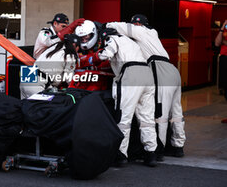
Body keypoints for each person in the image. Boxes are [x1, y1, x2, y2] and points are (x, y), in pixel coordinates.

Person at [105, 14, 186, 159]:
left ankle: (159, 150)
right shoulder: (152, 34)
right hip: (172, 70)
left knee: (160, 113)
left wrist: (105, 25)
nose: (134, 27)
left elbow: (122, 27)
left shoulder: (142, 31)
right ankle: (178, 146)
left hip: (158, 69)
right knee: (176, 112)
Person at [97, 27, 157, 167]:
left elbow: (105, 55)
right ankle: (151, 153)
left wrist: (97, 55)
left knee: (123, 117)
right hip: (147, 75)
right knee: (147, 118)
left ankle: (121, 155)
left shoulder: (112, 39)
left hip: (131, 75)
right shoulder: (130, 42)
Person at [20, 34, 81, 99]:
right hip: (37, 84)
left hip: (27, 77)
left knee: (23, 106)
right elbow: (69, 79)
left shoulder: (55, 47)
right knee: (45, 107)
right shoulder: (70, 55)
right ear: (74, 45)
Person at [74, 20, 113, 91]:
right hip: (85, 80)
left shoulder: (106, 40)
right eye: (81, 38)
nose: (84, 41)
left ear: (93, 33)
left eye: (86, 37)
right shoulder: (76, 46)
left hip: (107, 81)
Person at [215, 20, 227, 123]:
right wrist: (222, 28)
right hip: (224, 58)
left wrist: (225, 42)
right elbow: (217, 42)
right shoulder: (225, 27)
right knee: (225, 88)